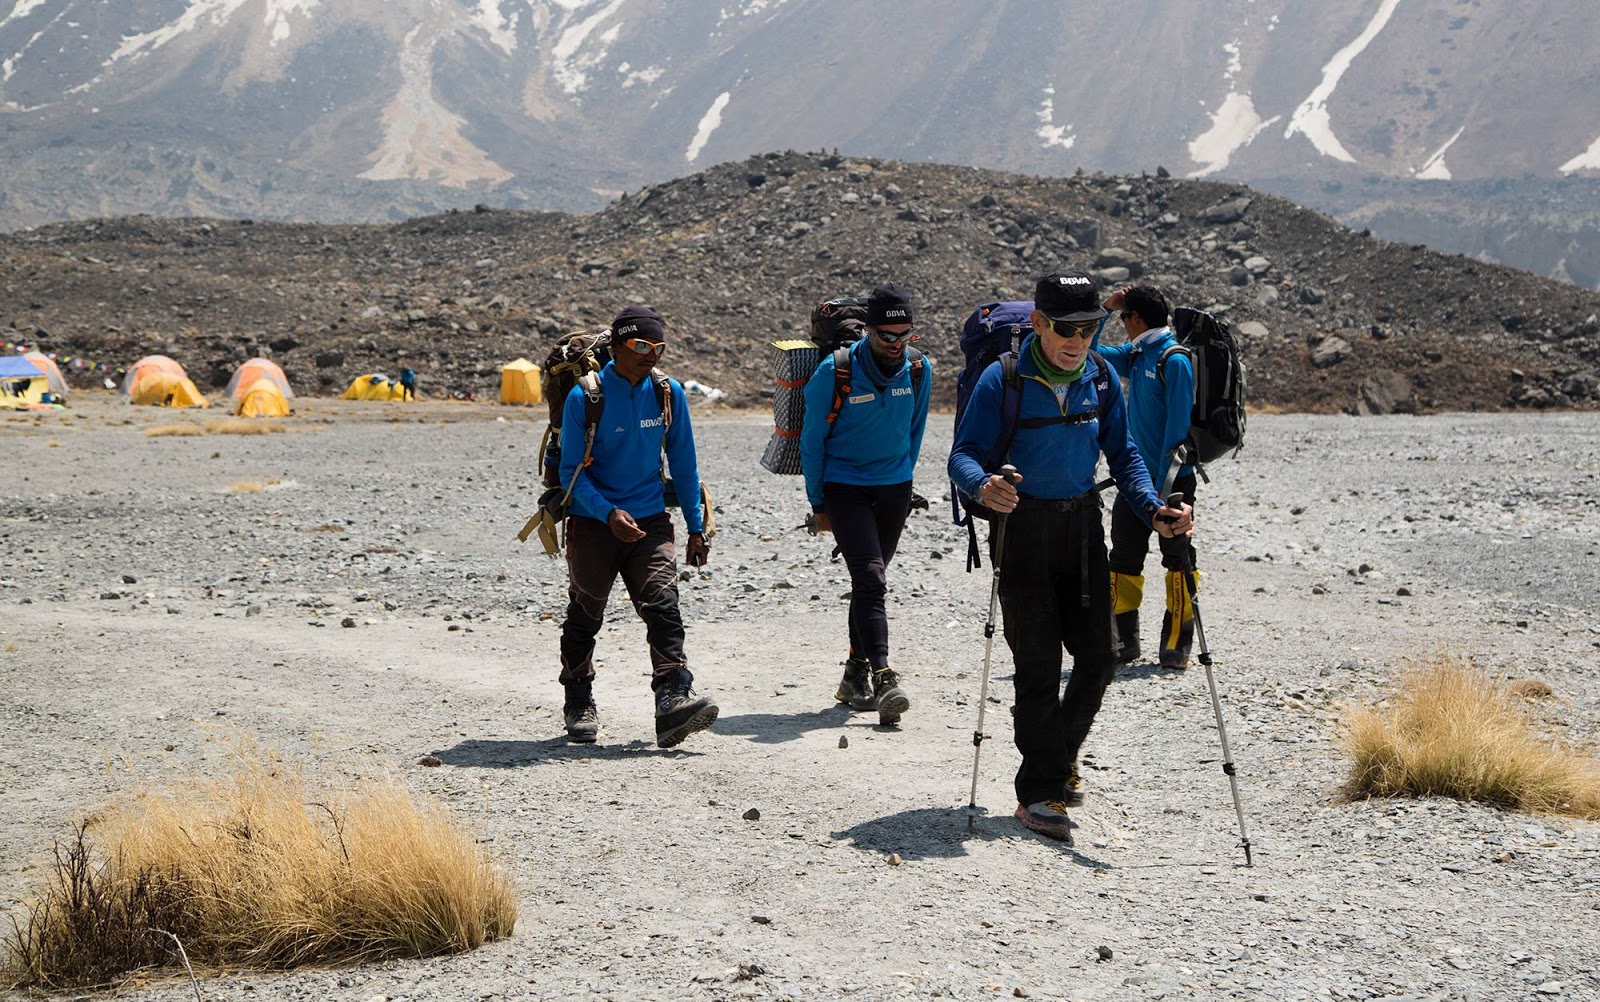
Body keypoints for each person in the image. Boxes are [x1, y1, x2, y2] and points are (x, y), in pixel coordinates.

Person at [948, 270, 1193, 841]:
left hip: (1084, 527)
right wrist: (983, 487)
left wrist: (1153, 508)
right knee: (1035, 665)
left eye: (1089, 328)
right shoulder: (1001, 379)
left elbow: (1125, 453)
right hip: (1022, 531)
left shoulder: (1103, 377)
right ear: (1038, 323)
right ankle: (1041, 794)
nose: (1077, 341)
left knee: (1102, 655)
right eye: (1065, 328)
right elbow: (962, 454)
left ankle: (1055, 763)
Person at [556, 305, 718, 749]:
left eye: (659, 347)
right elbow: (571, 471)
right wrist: (607, 512)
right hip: (593, 523)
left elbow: (684, 464)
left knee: (663, 605)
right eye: (642, 346)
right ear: (617, 347)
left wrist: (697, 527)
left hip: (650, 520)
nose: (652, 355)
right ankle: (578, 699)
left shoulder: (668, 393)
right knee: (585, 615)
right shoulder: (585, 397)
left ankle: (671, 699)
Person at [800, 282, 932, 726]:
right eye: (886, 337)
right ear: (869, 331)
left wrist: (905, 478)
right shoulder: (834, 371)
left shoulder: (917, 368)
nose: (896, 346)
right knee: (872, 579)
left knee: (868, 582)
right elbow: (812, 440)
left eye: (905, 336)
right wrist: (818, 502)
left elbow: (914, 432)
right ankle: (884, 676)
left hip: (894, 487)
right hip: (844, 487)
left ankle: (853, 673)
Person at [1095, 285, 1199, 668]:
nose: (1122, 325)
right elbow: (1090, 351)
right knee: (1123, 557)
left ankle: (1176, 647)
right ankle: (1124, 643)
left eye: (1123, 317)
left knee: (1177, 559)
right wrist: (1104, 310)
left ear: (1135, 318)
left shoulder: (1173, 360)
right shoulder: (1137, 354)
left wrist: (1159, 489)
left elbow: (1176, 435)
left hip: (1170, 481)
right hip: (1135, 481)